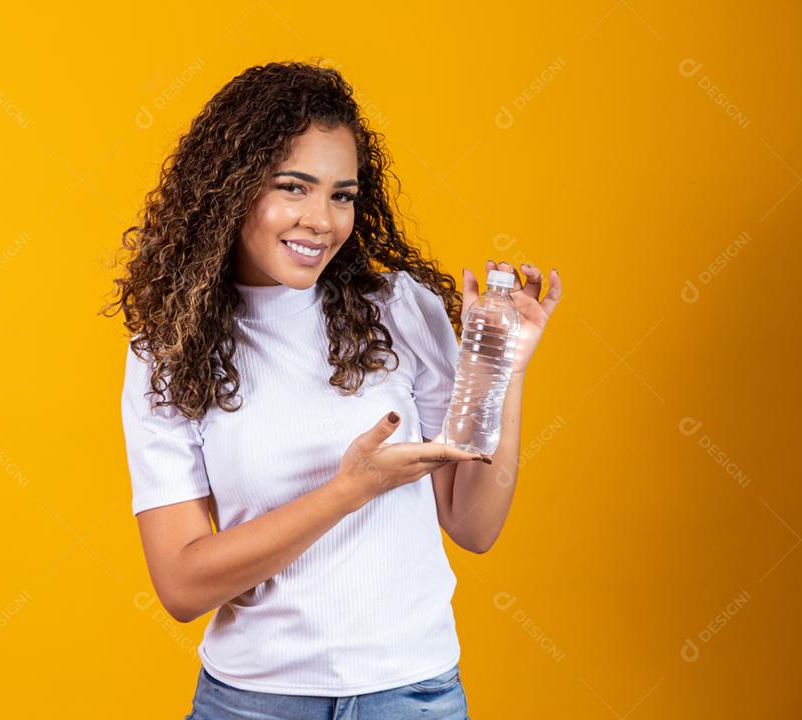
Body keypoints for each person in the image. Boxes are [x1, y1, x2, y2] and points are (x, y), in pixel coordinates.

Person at [103, 60, 562, 720]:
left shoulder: (401, 309)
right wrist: (350, 490)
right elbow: (180, 583)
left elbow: (474, 523)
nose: (321, 220)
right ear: (230, 188)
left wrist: (500, 371)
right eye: (295, 187)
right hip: (253, 702)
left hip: (412, 696)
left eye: (342, 195)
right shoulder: (168, 350)